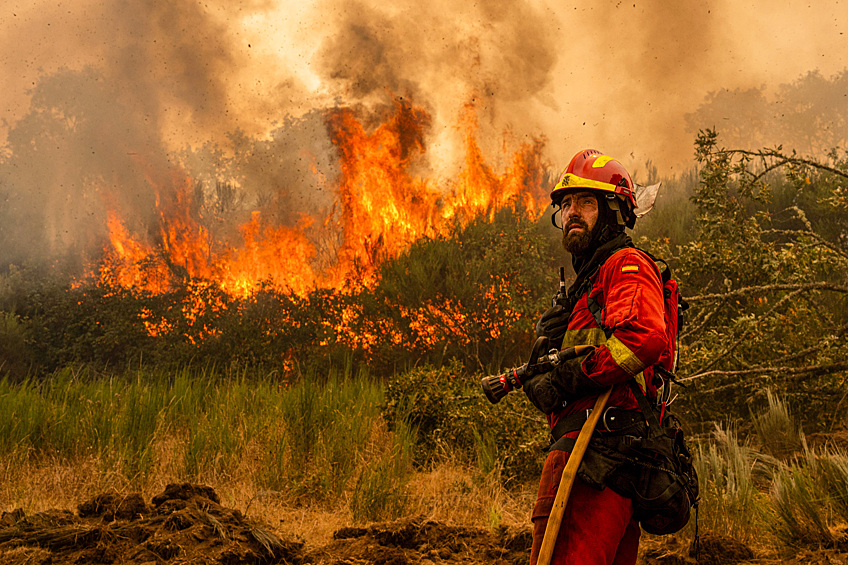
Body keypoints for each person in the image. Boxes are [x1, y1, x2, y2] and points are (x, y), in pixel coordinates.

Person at [523, 149, 672, 565]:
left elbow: (644, 339)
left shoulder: (623, 264)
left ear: (613, 212)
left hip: (595, 456)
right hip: (600, 457)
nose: (572, 212)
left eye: (586, 202)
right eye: (567, 204)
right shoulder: (588, 285)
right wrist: (544, 367)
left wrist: (570, 377)